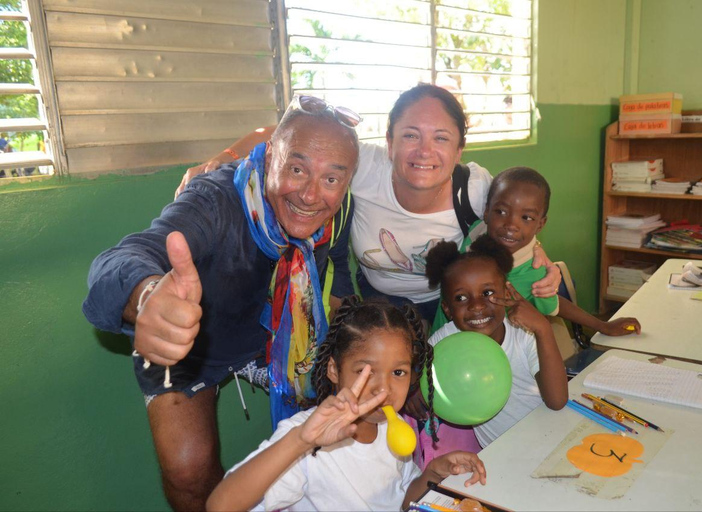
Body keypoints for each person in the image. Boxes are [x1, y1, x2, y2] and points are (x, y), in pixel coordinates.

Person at [82, 96, 361, 511]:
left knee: (349, 410)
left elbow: (335, 266)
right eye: (297, 169)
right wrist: (146, 297)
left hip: (282, 336)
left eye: (331, 180)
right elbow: (122, 259)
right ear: (268, 161)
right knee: (188, 471)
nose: (310, 195)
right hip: (196, 337)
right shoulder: (215, 198)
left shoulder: (337, 210)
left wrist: (361, 332)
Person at [177, 85, 563, 324]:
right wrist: (225, 155)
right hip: (377, 300)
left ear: (460, 149)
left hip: (450, 305)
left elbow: (515, 223)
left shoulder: (475, 188)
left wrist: (543, 260)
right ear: (390, 141)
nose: (424, 151)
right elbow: (279, 134)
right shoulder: (364, 165)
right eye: (410, 135)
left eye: (441, 139)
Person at [206, 297, 486, 512]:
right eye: (365, 371)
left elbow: (401, 501)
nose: (383, 389)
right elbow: (220, 505)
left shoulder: (394, 426)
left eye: (398, 372)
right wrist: (301, 441)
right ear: (334, 370)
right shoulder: (306, 437)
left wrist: (432, 473)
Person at [432, 166, 641, 335]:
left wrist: (601, 325)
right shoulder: (474, 233)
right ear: (486, 212)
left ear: (540, 225)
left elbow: (554, 305)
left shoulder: (533, 271)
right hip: (438, 342)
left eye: (526, 218)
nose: (511, 225)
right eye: (501, 211)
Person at [424, 235, 568, 449]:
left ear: (506, 292)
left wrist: (543, 329)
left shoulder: (525, 334)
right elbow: (418, 378)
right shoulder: (443, 343)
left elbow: (557, 401)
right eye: (461, 298)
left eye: (488, 293)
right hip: (498, 456)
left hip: (552, 440)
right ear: (447, 309)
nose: (477, 306)